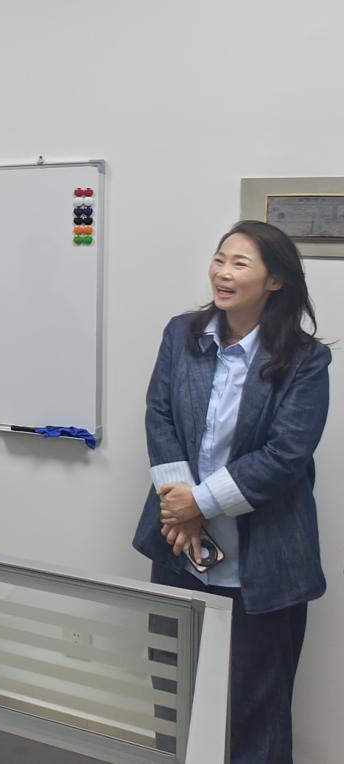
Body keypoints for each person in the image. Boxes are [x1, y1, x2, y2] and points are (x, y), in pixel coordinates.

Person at [133, 220, 330, 763]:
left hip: (263, 564)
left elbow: (286, 456)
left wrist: (199, 503)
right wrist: (180, 505)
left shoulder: (306, 360)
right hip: (180, 550)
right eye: (220, 259)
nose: (222, 273)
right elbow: (159, 416)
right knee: (176, 698)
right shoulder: (183, 334)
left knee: (254, 711)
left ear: (275, 281)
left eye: (240, 264)